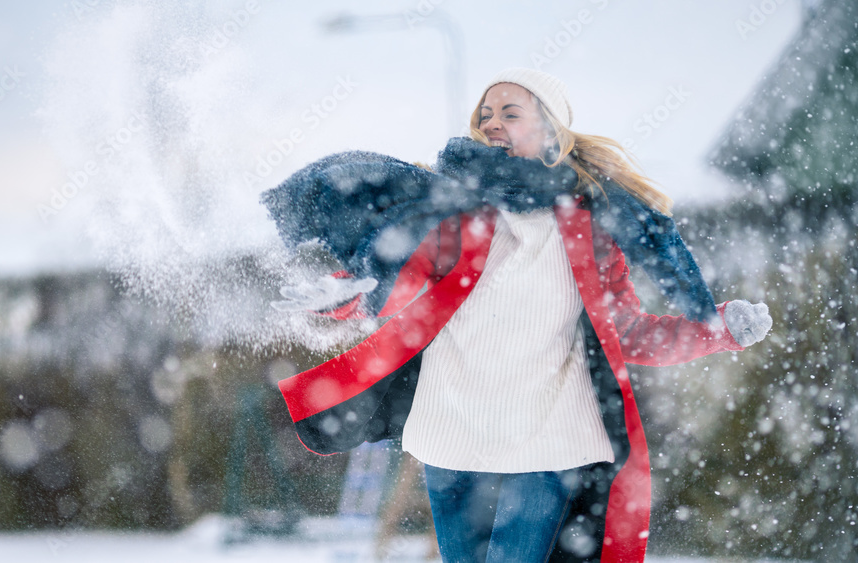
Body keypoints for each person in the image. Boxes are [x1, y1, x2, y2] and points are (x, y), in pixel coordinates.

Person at [262, 67, 772, 562]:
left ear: (553, 132)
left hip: (547, 439)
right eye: (485, 114)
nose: (491, 123)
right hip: (452, 434)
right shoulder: (453, 212)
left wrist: (719, 329)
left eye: (510, 111)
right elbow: (399, 280)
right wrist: (348, 297)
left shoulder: (589, 227)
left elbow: (629, 332)